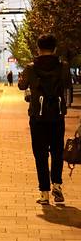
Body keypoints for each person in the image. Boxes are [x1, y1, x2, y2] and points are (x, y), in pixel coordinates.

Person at [18, 34, 72, 204]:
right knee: (57, 152)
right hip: (57, 115)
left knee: (40, 154)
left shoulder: (31, 67)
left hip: (37, 116)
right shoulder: (63, 66)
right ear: (55, 48)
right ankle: (57, 185)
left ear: (38, 48)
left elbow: (21, 85)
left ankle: (44, 193)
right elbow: (68, 85)